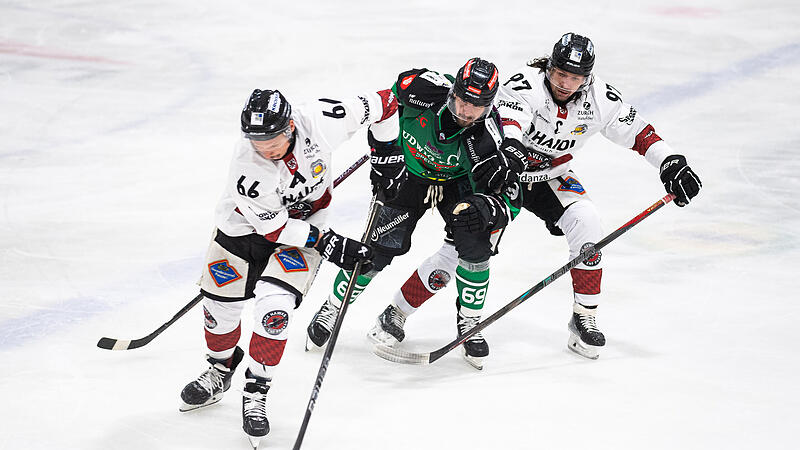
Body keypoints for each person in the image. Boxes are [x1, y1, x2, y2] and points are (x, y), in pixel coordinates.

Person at [351, 32, 703, 362]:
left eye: (575, 77)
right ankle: (397, 312)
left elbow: (639, 132)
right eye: (560, 73)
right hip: (506, 176)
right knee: (464, 246)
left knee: (587, 220)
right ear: (549, 67)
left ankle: (584, 319)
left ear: (588, 78)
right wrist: (514, 152)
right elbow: (512, 123)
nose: (565, 83)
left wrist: (670, 163)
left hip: (552, 176)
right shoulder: (525, 84)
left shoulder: (601, 99)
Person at [178, 87, 398, 446]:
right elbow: (275, 227)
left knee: (273, 311)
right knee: (220, 313)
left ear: (291, 125)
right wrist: (329, 243)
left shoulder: (324, 120)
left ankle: (256, 390)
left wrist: (389, 155)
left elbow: (388, 102)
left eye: (272, 139)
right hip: (242, 234)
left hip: (303, 234)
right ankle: (221, 368)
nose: (265, 149)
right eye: (256, 140)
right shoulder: (247, 167)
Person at [306, 58, 525, 370]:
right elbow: (382, 110)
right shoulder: (420, 89)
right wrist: (385, 155)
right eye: (462, 100)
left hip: (456, 184)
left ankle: (471, 322)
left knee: (475, 242)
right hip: (407, 174)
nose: (465, 112)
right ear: (453, 92)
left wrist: (489, 210)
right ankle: (332, 307)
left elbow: (507, 198)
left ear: (489, 106)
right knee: (376, 250)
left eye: (476, 107)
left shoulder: (488, 141)